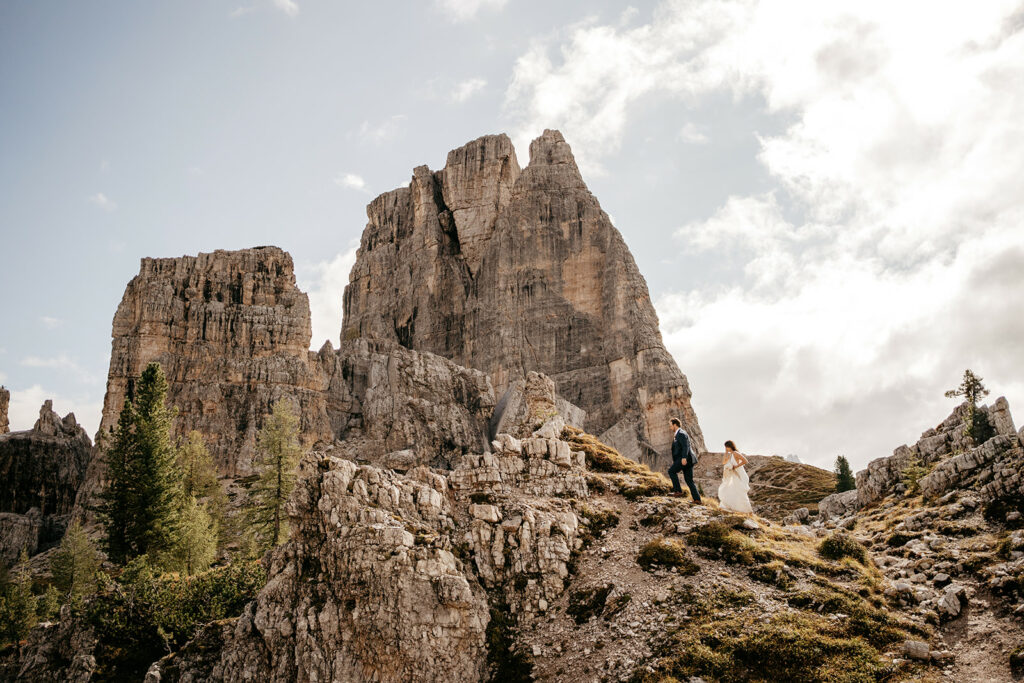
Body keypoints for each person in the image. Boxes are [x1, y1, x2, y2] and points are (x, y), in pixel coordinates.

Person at [668, 417, 702, 504]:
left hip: (685, 459)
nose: (670, 427)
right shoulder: (677, 434)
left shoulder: (681, 433)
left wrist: (684, 458)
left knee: (671, 471)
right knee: (689, 480)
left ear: (675, 425)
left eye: (670, 425)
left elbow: (685, 446)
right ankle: (697, 499)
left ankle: (678, 491)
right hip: (686, 460)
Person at [718, 440, 752, 513]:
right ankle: (736, 509)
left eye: (726, 447)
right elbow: (723, 462)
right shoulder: (730, 455)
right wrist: (726, 453)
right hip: (735, 475)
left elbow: (745, 461)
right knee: (732, 491)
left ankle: (747, 510)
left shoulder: (735, 453)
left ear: (729, 446)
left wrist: (735, 466)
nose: (726, 448)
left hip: (740, 475)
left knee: (740, 493)